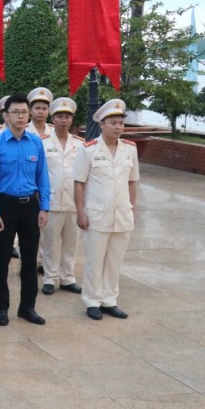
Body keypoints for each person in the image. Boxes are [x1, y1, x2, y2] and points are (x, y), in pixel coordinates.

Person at [0, 94, 51, 327]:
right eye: (16, 112)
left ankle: (27, 307)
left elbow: (43, 177)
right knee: (1, 259)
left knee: (30, 259)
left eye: (24, 112)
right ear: (5, 115)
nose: (21, 116)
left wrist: (45, 207)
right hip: (5, 205)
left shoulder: (35, 143)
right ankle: (1, 307)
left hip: (29, 206)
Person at [75, 99, 139, 321]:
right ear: (101, 124)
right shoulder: (89, 150)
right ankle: (92, 301)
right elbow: (79, 183)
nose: (118, 127)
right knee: (95, 261)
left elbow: (132, 182)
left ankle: (110, 300)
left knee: (115, 261)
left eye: (121, 123)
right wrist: (80, 212)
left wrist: (132, 207)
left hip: (122, 215)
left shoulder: (130, 149)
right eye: (113, 122)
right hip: (96, 214)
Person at [40, 97, 83, 296]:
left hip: (74, 202)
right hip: (51, 201)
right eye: (59, 116)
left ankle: (68, 277)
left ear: (72, 119)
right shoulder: (42, 143)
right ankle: (50, 278)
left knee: (71, 243)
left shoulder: (81, 145)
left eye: (67, 116)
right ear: (53, 118)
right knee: (49, 243)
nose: (63, 120)